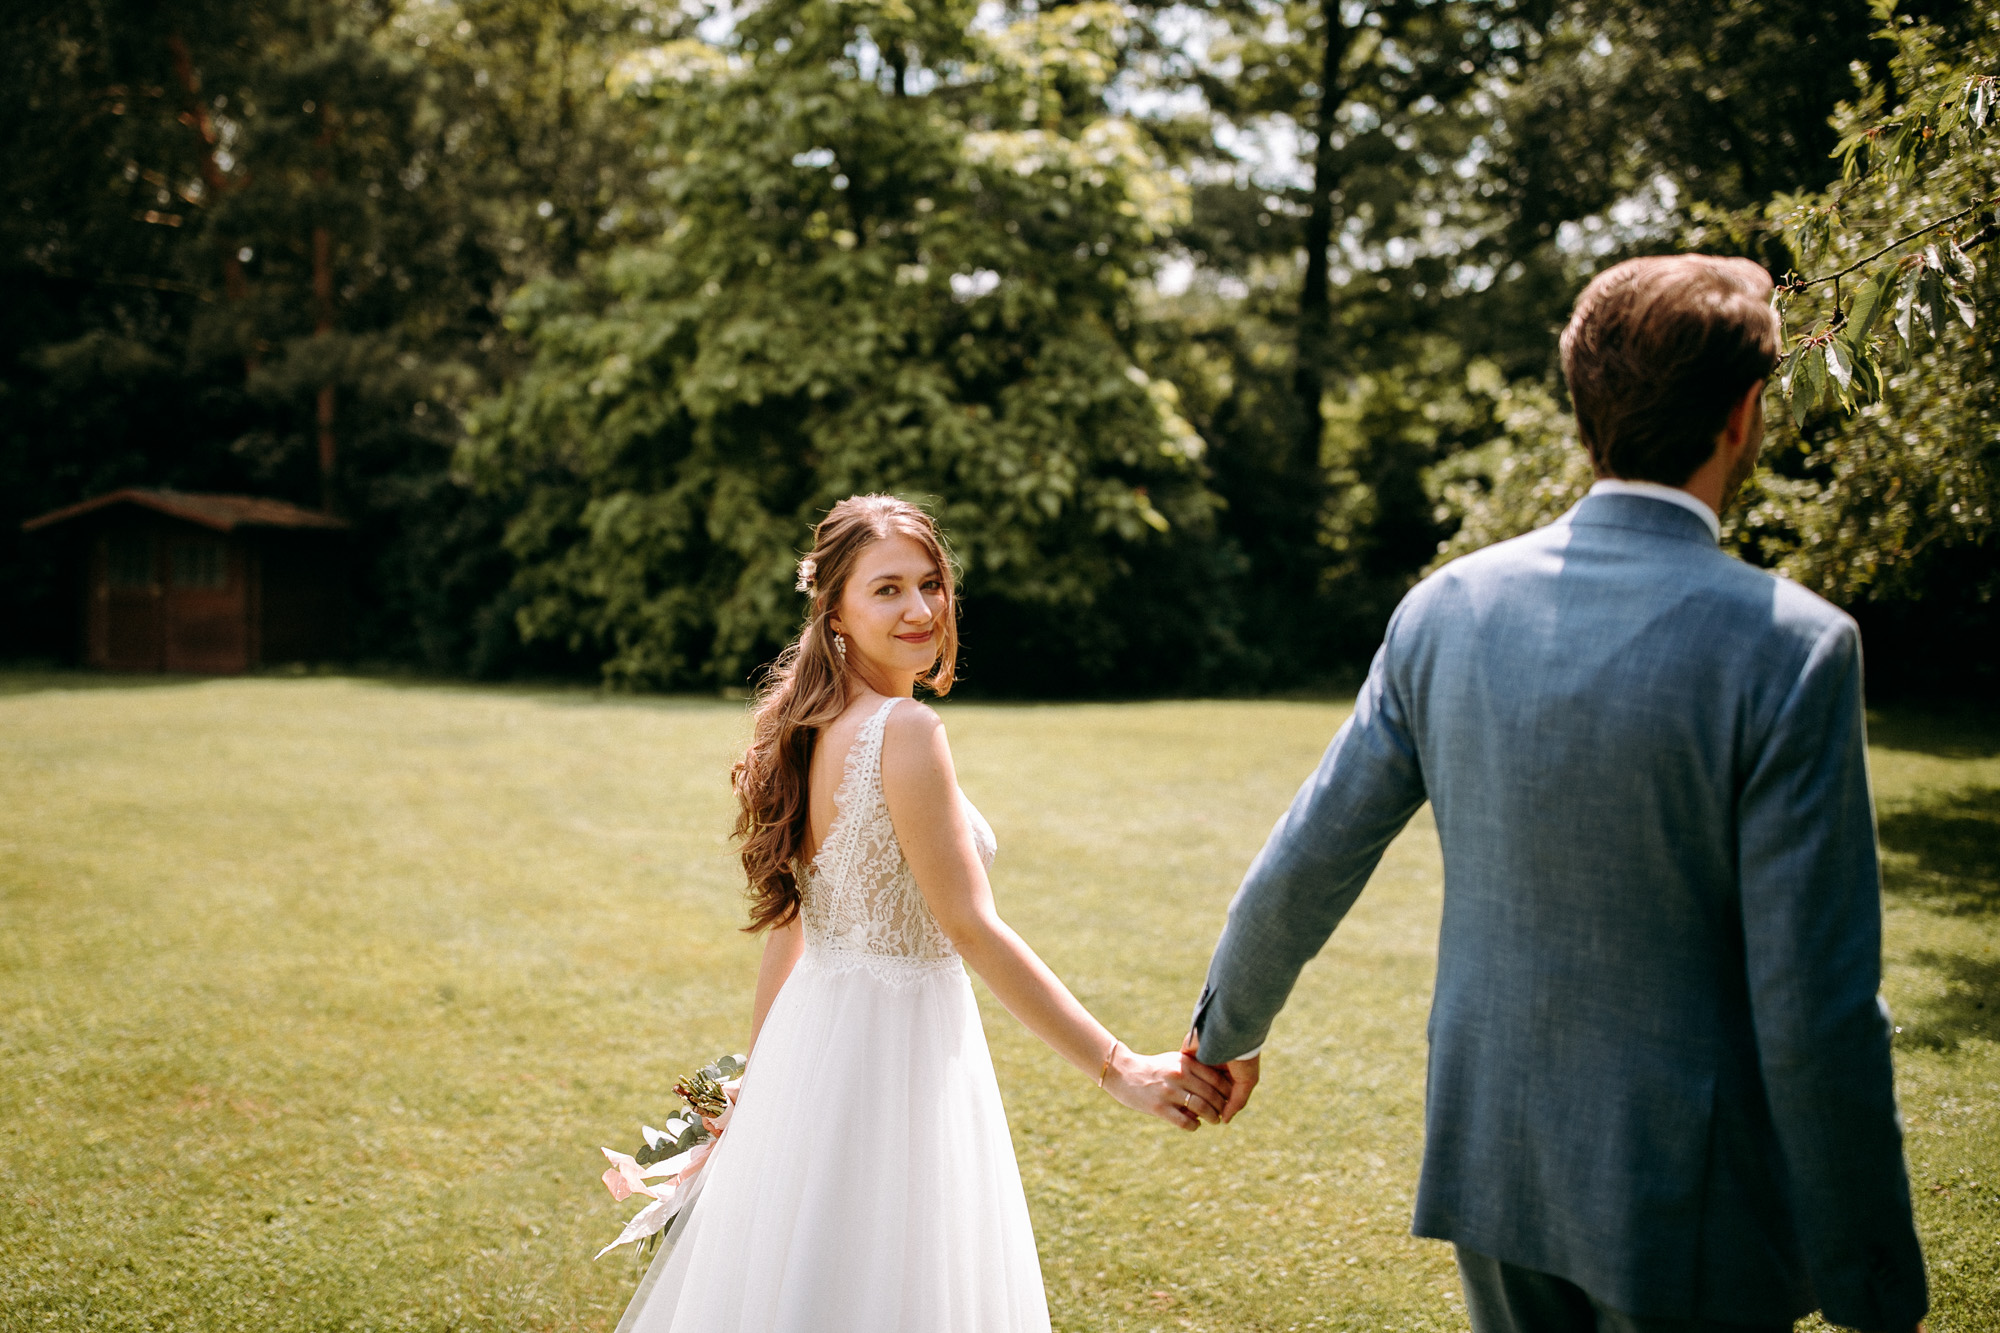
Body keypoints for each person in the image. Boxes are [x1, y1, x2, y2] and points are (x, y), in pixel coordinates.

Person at [1186, 255, 1929, 1332]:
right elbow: (1815, 1010)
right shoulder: (1791, 648)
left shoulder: (1445, 608)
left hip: (1494, 1156)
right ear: (1742, 410)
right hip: (1692, 1193)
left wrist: (1224, 1032)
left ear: (1583, 405)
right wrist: (1873, 1281)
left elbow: (1310, 852)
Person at [617, 494, 1228, 1333]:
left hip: (815, 1041)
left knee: (813, 1277)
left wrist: (762, 1090)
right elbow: (969, 925)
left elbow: (791, 931)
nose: (919, 609)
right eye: (888, 589)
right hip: (896, 1051)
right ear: (834, 608)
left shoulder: (805, 723)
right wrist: (1118, 1065)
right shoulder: (904, 729)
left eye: (931, 584)